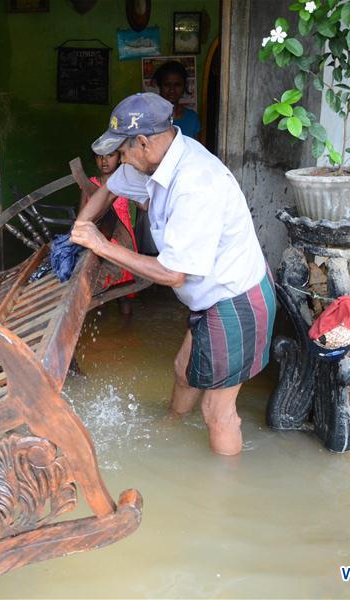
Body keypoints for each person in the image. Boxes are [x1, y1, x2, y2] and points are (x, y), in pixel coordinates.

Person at [71, 93, 275, 456]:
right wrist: (81, 226)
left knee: (218, 411)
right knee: (183, 370)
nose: (120, 160)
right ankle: (170, 430)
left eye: (123, 151)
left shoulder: (196, 184)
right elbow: (110, 187)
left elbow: (172, 274)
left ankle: (220, 497)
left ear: (145, 142)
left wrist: (102, 246)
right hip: (209, 297)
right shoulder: (157, 162)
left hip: (235, 300)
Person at [80, 150, 139, 316]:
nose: (104, 161)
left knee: (124, 296)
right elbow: (81, 217)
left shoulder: (126, 183)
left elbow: (144, 205)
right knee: (98, 295)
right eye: (99, 157)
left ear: (119, 157)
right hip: (98, 243)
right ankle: (105, 336)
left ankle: (127, 333)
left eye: (110, 155)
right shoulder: (89, 184)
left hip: (123, 243)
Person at [152, 61, 200, 140]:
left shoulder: (192, 118)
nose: (172, 90)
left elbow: (197, 150)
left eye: (177, 85)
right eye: (167, 84)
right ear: (159, 86)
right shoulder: (150, 117)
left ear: (184, 86)